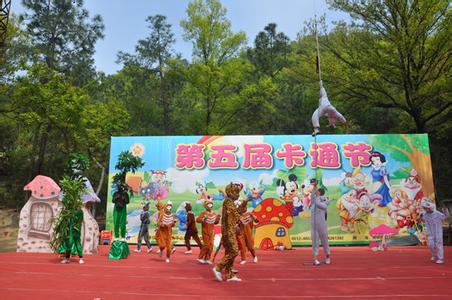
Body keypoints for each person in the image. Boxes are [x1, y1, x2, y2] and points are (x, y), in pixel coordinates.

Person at [212, 182, 243, 282]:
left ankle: (229, 275)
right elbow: (234, 212)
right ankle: (218, 268)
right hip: (228, 231)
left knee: (231, 252)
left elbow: (234, 214)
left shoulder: (229, 202)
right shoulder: (228, 202)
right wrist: (240, 218)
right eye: (235, 192)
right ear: (230, 193)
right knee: (234, 251)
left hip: (230, 230)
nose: (237, 195)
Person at [421, 198, 449, 264]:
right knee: (431, 245)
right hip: (430, 232)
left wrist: (445, 209)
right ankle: (434, 255)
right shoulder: (425, 215)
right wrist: (420, 217)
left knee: (439, 244)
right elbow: (422, 220)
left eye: (426, 208)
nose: (426, 209)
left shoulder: (437, 214)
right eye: (424, 208)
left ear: (430, 208)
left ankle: (440, 258)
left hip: (438, 232)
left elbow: (446, 216)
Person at [310, 187, 331, 265]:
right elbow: (313, 198)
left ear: (320, 192)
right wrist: (313, 192)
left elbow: (324, 205)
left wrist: (321, 201)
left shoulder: (324, 200)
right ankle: (315, 258)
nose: (316, 192)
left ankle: (328, 256)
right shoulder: (314, 201)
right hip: (314, 225)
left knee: (325, 241)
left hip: (322, 224)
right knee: (315, 242)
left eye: (317, 191)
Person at [197, 200, 220, 264]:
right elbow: (198, 220)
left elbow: (215, 222)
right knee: (206, 245)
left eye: (211, 204)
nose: (210, 206)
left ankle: (207, 258)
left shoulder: (214, 213)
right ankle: (200, 257)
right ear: (205, 206)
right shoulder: (203, 213)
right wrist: (203, 219)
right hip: (205, 231)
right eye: (208, 205)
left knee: (211, 246)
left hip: (212, 232)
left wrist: (218, 219)